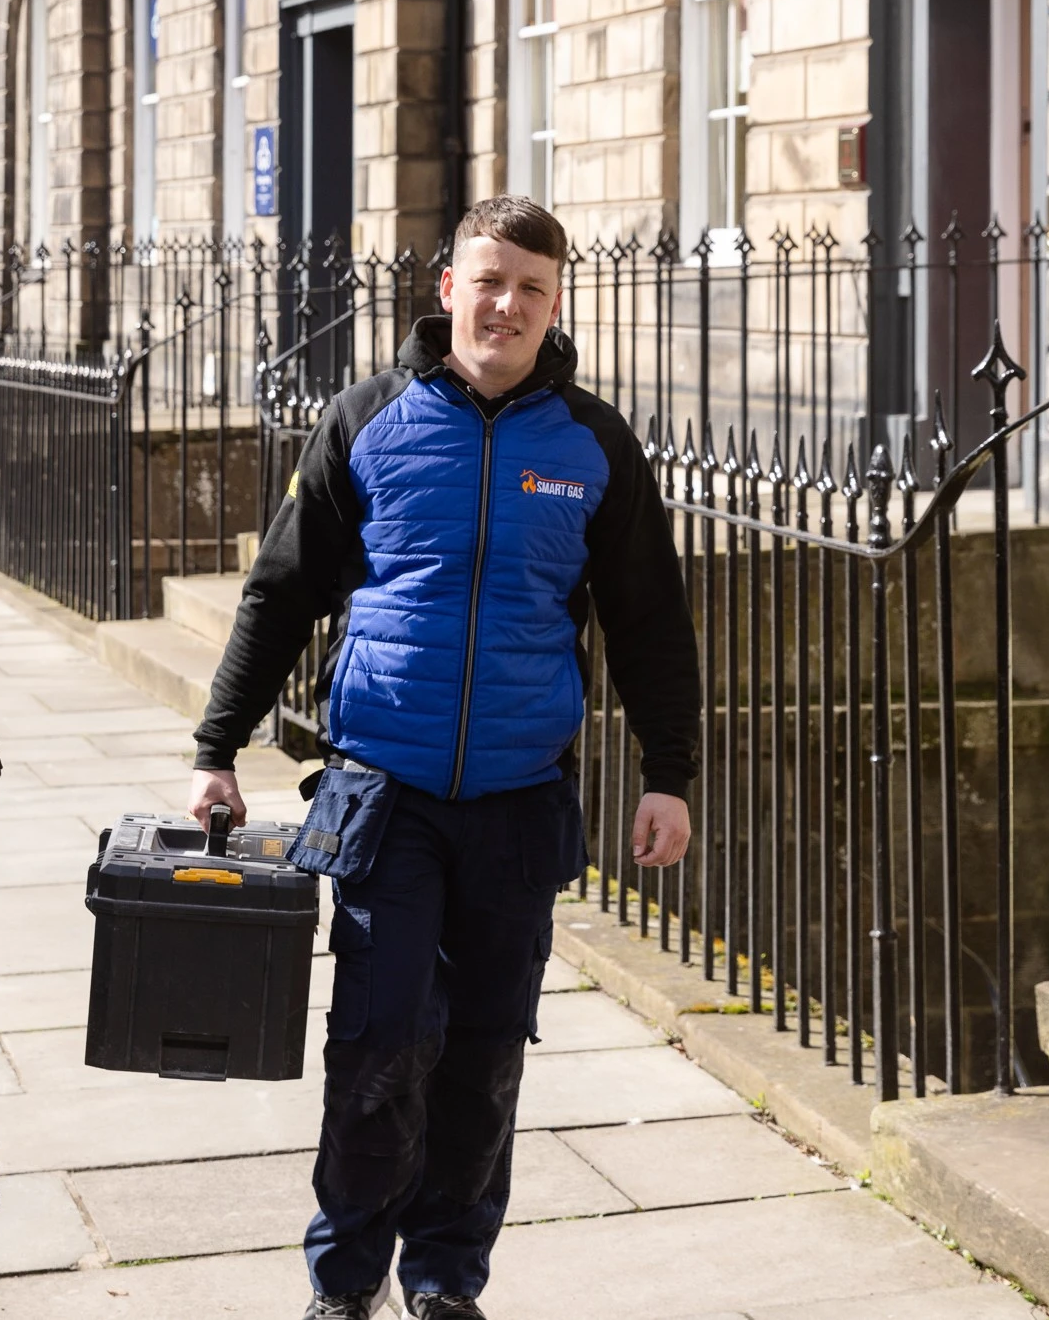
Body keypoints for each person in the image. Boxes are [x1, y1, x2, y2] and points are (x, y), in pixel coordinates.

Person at [189, 195, 702, 1320]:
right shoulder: (366, 418)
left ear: (556, 303)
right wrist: (216, 744)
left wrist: (670, 771)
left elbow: (650, 619)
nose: (506, 304)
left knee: (480, 1053)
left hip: (519, 800)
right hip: (384, 788)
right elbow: (280, 589)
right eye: (489, 279)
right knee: (379, 1038)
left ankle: (444, 1277)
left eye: (531, 286)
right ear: (446, 287)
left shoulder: (592, 443)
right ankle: (345, 1277)